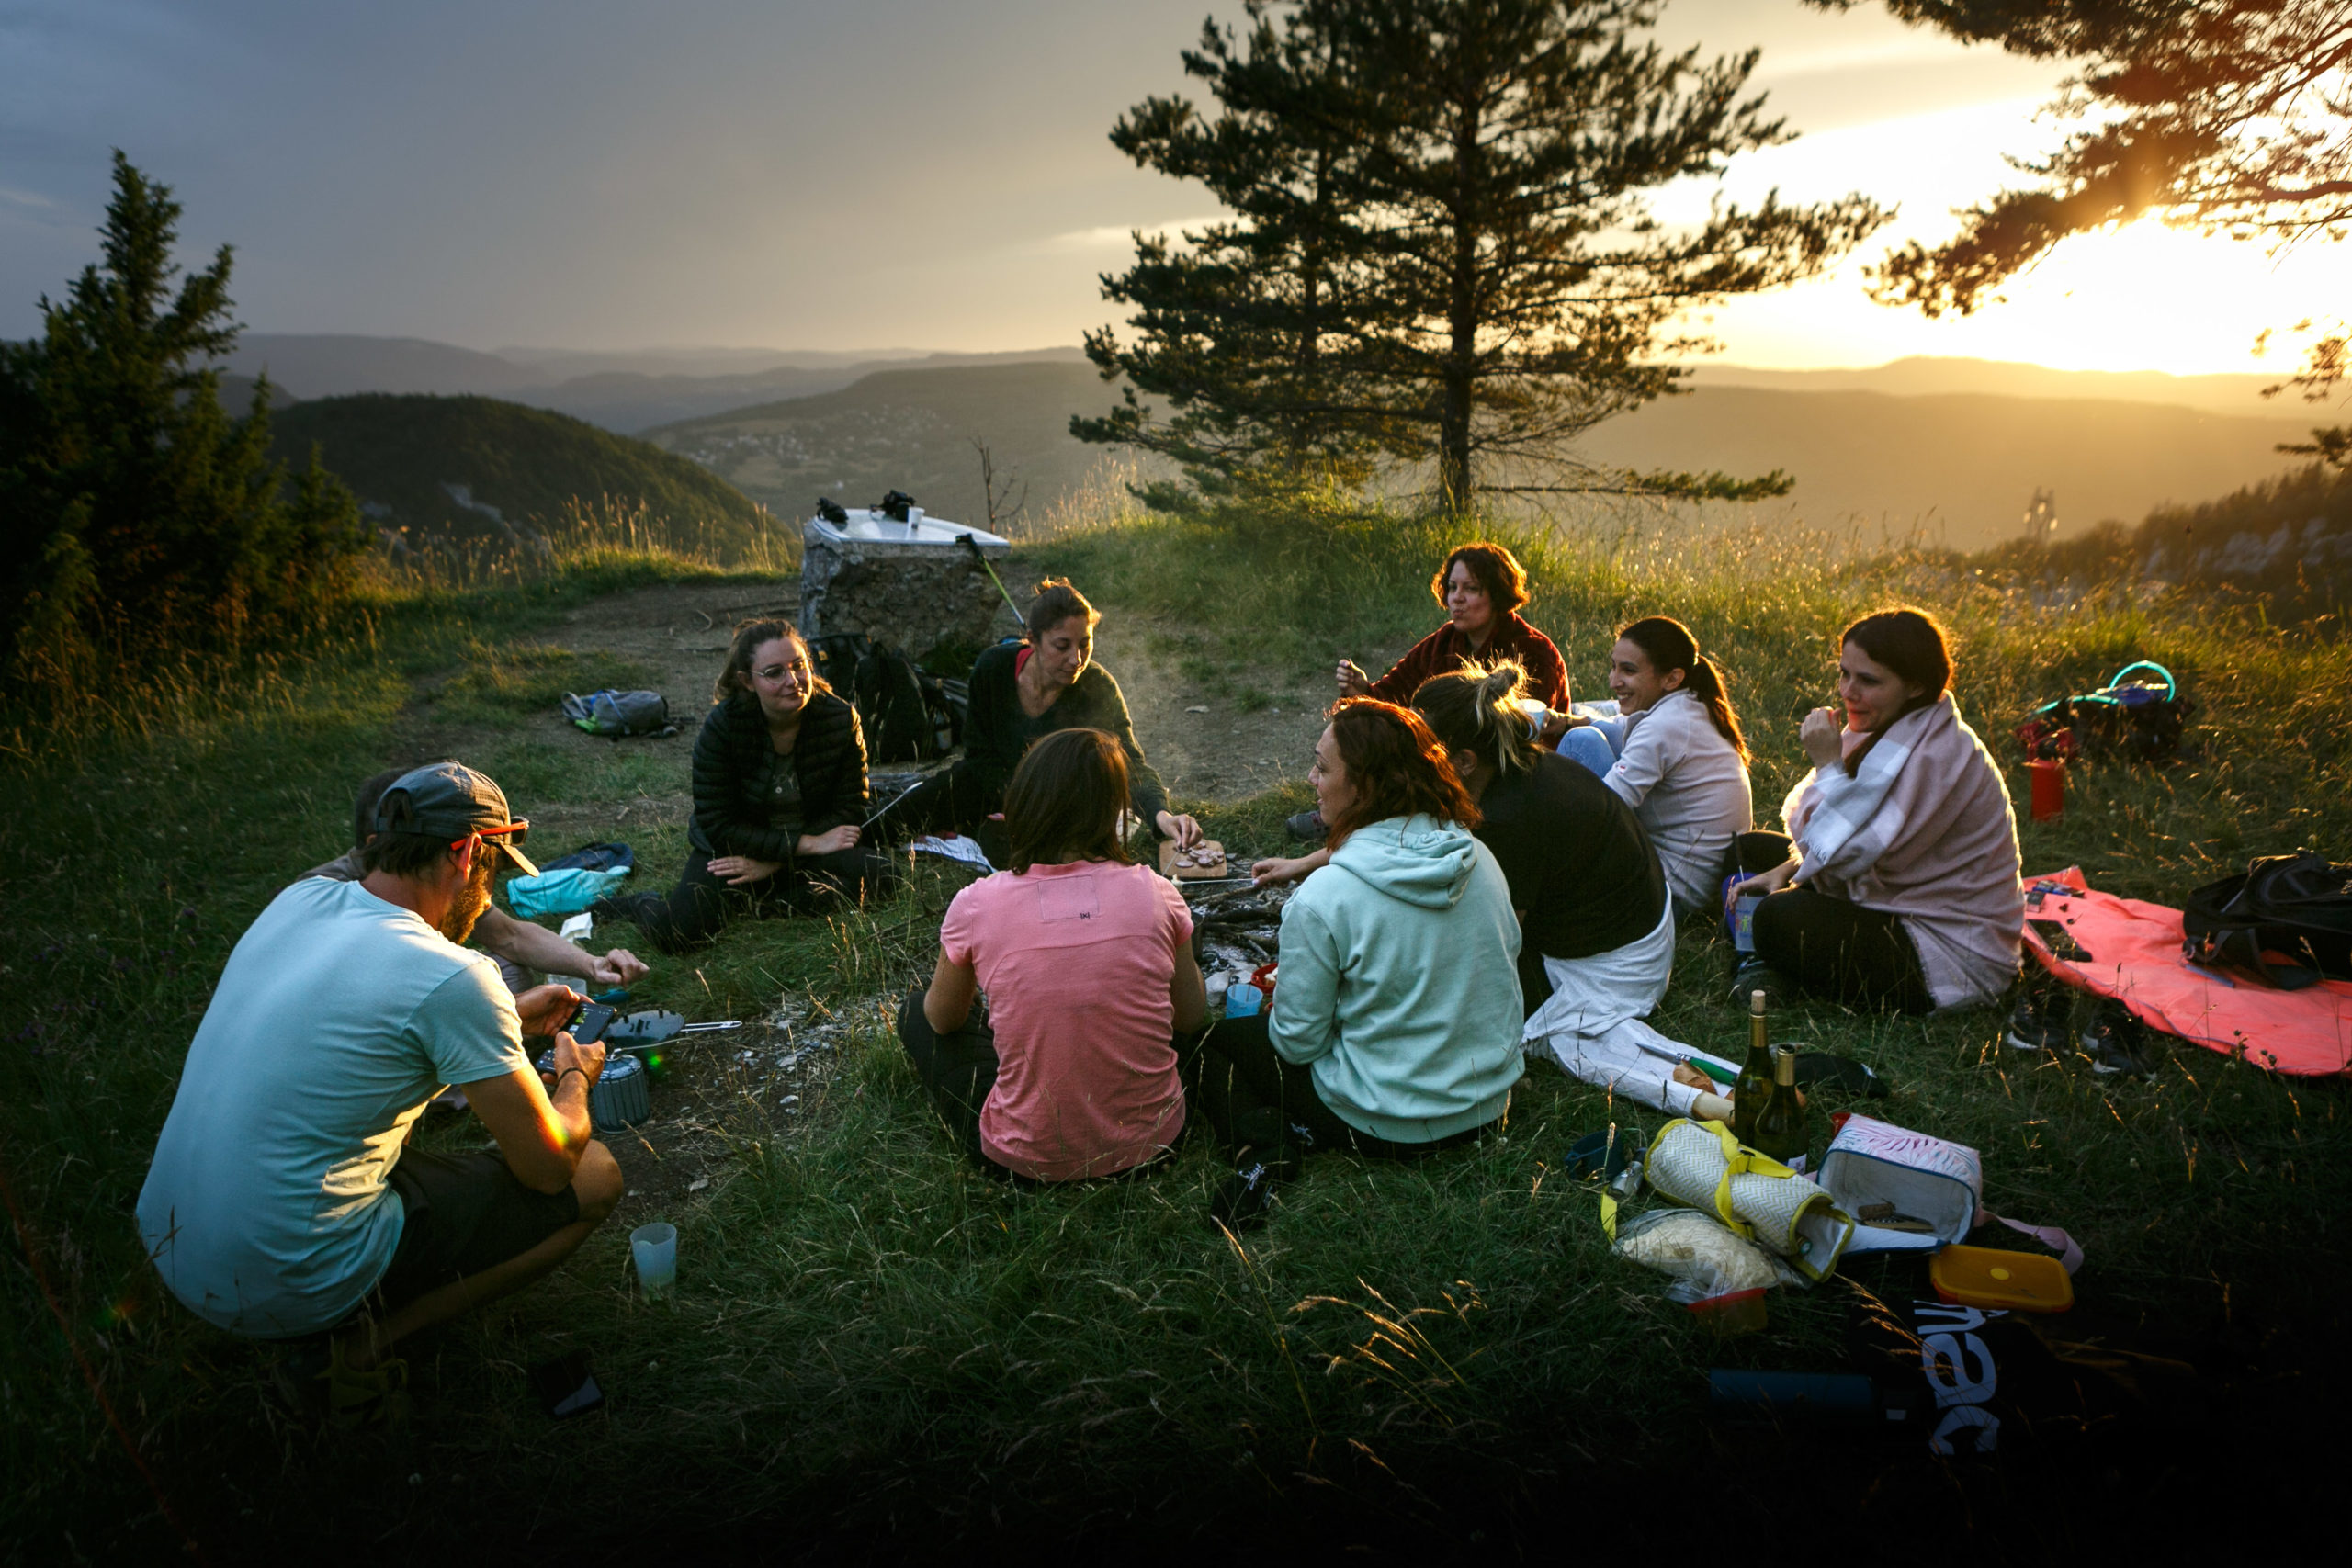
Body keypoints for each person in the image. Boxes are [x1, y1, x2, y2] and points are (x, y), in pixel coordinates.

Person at [137, 763, 623, 1424]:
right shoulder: (454, 976)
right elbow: (548, 1165)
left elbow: (360, 1034)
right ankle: (358, 1348)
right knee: (593, 1176)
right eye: (491, 872)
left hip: (176, 1245)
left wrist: (501, 1018)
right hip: (286, 1275)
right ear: (466, 852)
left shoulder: (298, 901)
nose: (486, 896)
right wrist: (575, 1075)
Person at [1193, 699, 1523, 1229]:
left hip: (1386, 1124)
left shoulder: (1326, 896)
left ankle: (1268, 1144)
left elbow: (1298, 1043)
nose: (1311, 779)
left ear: (1366, 788)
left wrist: (1305, 1004)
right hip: (1487, 1106)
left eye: (1323, 769)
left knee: (1211, 1049)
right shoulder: (1477, 858)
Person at [1406, 663, 1733, 1116]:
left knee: (1448, 997)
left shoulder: (1510, 818)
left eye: (1418, 753)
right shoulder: (1512, 765)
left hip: (1614, 966)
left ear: (1462, 761)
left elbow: (1494, 946)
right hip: (1639, 920)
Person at [897, 728, 1208, 1181]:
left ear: (1024, 804)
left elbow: (943, 1020)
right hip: (1155, 1147)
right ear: (1113, 814)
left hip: (1022, 1165)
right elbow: (1191, 1016)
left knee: (915, 1011)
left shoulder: (976, 903)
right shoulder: (1158, 893)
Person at [1727, 607, 2022, 1013]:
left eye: (1868, 680)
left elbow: (1849, 852)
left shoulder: (1941, 755)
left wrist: (1828, 766)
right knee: (1747, 848)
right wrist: (1787, 869)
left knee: (1778, 918)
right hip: (1885, 892)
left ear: (1915, 686)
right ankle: (1770, 957)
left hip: (1944, 946)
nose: (1848, 691)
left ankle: (1764, 958)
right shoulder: (1888, 727)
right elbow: (1838, 841)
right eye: (1844, 673)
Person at [595, 619, 893, 953]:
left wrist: (778, 861)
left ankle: (764, 903)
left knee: (883, 875)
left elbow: (851, 805)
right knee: (679, 935)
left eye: (799, 666)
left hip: (810, 846)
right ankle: (643, 904)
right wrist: (803, 846)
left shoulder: (840, 719)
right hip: (738, 853)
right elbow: (718, 823)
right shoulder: (723, 727)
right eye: (774, 673)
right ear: (746, 681)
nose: (793, 681)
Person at [880, 579, 1203, 854]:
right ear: (1032, 639)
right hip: (994, 788)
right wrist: (1015, 801)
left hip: (1064, 804)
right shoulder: (992, 669)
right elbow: (979, 756)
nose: (1076, 659)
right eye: (1062, 645)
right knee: (905, 813)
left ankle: (983, 833)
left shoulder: (1097, 686)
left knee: (1018, 850)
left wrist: (1162, 815)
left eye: (1085, 644)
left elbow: (1128, 763)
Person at [1304, 541, 1569, 842]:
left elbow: (1530, 733)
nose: (1457, 599)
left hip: (1498, 771)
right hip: (1448, 763)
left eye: (1471, 589)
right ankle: (1349, 811)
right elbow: (1395, 694)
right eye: (1452, 587)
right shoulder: (1443, 642)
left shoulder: (1534, 650)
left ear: (1497, 593)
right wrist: (1363, 691)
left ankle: (1368, 819)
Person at [306, 768, 650, 992]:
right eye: (489, 871)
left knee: (503, 974)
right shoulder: (337, 915)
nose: (485, 889)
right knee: (483, 982)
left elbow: (509, 935)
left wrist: (591, 965)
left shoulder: (419, 878)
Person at [1555, 616, 1755, 918]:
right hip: (1707, 884)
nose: (1613, 680)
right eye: (1614, 666)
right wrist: (1568, 718)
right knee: (1595, 731)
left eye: (1628, 671)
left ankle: (1554, 865)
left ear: (1671, 678)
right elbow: (1618, 721)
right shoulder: (1691, 704)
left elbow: (1606, 810)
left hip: (1669, 892)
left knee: (1580, 743)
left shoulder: (1663, 727)